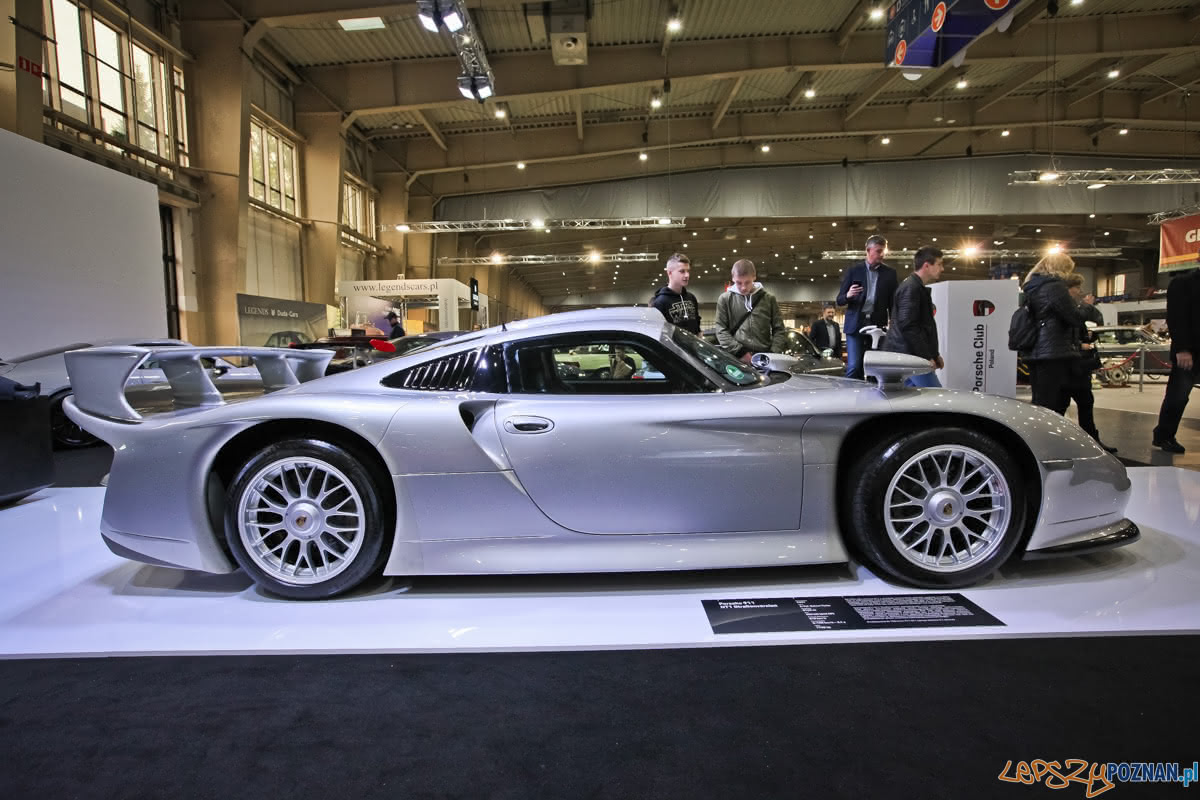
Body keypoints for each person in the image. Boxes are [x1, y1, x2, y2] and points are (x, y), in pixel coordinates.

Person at [1021, 252, 1083, 413]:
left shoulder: (1032, 286)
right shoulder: (1054, 287)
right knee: (1053, 404)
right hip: (1053, 350)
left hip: (1036, 349)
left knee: (1040, 401)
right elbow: (1073, 317)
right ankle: (1047, 438)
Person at [1065, 274, 1117, 452]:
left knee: (1086, 403)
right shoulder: (1065, 308)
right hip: (1066, 366)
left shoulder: (1075, 308)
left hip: (1079, 367)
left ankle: (1092, 442)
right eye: (1077, 288)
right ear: (1069, 288)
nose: (1079, 292)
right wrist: (1080, 344)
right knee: (1060, 407)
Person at [837, 234, 899, 380]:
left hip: (877, 326)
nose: (882, 254)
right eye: (878, 251)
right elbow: (839, 300)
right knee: (854, 366)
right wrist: (848, 295)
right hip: (855, 325)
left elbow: (893, 304)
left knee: (875, 368)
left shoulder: (890, 274)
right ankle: (850, 400)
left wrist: (894, 325)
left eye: (883, 251)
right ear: (868, 250)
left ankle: (871, 400)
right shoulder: (853, 271)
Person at [1152, 269, 1200, 454]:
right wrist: (1182, 349)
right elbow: (1176, 318)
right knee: (1178, 396)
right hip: (1190, 351)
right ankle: (1164, 435)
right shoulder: (1183, 283)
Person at [883, 246, 944, 388]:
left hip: (911, 355)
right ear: (927, 266)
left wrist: (934, 354)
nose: (942, 269)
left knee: (911, 400)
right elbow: (908, 326)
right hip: (910, 356)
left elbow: (921, 327)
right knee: (936, 397)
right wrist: (926, 356)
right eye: (939, 264)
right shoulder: (911, 288)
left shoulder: (916, 287)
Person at [715, 259, 787, 362]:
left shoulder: (769, 299)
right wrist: (740, 352)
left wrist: (773, 353)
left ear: (754, 277)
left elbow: (779, 329)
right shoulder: (725, 299)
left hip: (765, 357)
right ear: (733, 278)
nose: (743, 287)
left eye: (747, 282)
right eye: (739, 283)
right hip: (736, 359)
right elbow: (720, 329)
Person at [650, 253, 701, 335]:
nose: (687, 275)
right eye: (682, 271)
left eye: (688, 271)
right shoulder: (659, 303)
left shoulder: (691, 298)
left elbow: (697, 324)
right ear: (669, 273)